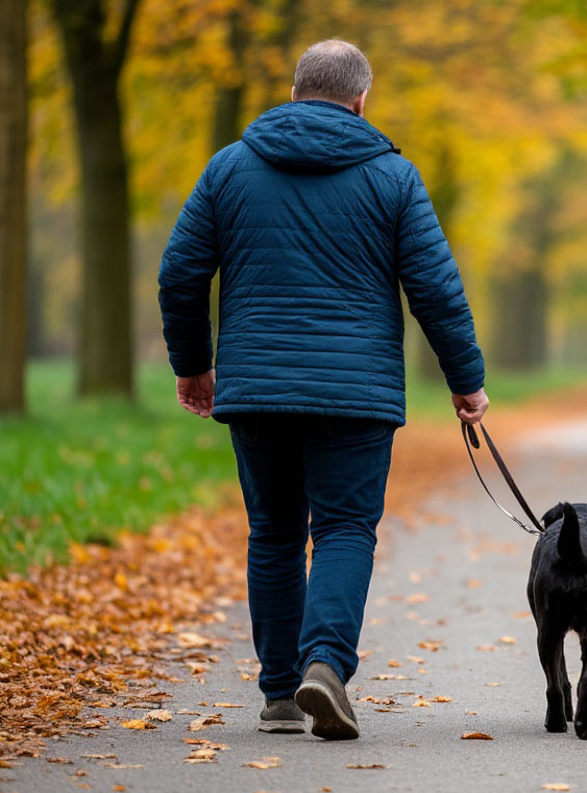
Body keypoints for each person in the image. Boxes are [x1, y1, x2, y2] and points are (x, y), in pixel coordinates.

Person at [158, 39, 488, 741]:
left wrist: (192, 364)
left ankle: (280, 692)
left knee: (274, 531)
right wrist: (467, 382)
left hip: (258, 389)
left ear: (296, 89)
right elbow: (436, 289)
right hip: (355, 394)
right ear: (362, 100)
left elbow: (180, 274)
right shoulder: (394, 177)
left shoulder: (230, 168)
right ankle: (326, 666)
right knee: (342, 529)